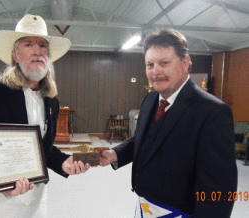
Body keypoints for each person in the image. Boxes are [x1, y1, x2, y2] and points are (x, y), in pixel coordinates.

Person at [0, 14, 90, 218]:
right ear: (15, 55)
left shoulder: (51, 101)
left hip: (37, 200)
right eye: (28, 44)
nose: (37, 51)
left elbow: (43, 148)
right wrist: (2, 185)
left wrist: (64, 162)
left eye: (43, 45)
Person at [100, 29, 237, 218]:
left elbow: (219, 189)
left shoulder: (212, 112)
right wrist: (115, 153)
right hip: (145, 208)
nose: (155, 71)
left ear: (185, 62)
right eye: (150, 64)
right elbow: (144, 140)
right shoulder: (150, 99)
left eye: (164, 63)